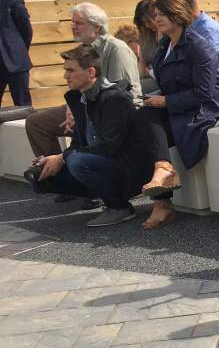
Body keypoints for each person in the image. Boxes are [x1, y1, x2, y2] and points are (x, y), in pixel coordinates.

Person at [134, 0, 219, 229]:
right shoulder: (165, 45)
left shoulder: (198, 46)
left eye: (163, 14)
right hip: (179, 105)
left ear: (178, 14)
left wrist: (166, 102)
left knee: (149, 125)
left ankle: (161, 202)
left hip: (203, 109)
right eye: (155, 14)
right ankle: (163, 172)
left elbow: (204, 93)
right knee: (141, 118)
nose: (157, 19)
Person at [30, 45, 153, 227]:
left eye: (71, 70)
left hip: (130, 170)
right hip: (105, 163)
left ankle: (119, 207)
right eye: (65, 70)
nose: (65, 76)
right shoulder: (80, 99)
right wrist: (54, 159)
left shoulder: (114, 98)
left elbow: (109, 145)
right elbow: (79, 142)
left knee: (77, 162)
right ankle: (104, 197)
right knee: (41, 173)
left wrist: (64, 156)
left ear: (90, 72)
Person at [27, 3, 142, 166]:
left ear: (96, 27)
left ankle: (67, 167)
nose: (73, 27)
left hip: (111, 110)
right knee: (36, 123)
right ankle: (54, 170)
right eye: (72, 22)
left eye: (79, 23)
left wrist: (81, 111)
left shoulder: (117, 49)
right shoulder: (81, 50)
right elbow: (76, 90)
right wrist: (70, 109)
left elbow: (122, 91)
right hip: (86, 104)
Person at [173, 0, 219, 100]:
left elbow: (207, 65)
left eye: (172, 11)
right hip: (203, 84)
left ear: (183, 9)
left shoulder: (208, 29)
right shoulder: (191, 26)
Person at [0, 0, 33, 106]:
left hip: (16, 63)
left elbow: (27, 31)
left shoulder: (13, 1)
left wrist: (18, 52)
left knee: (23, 106)